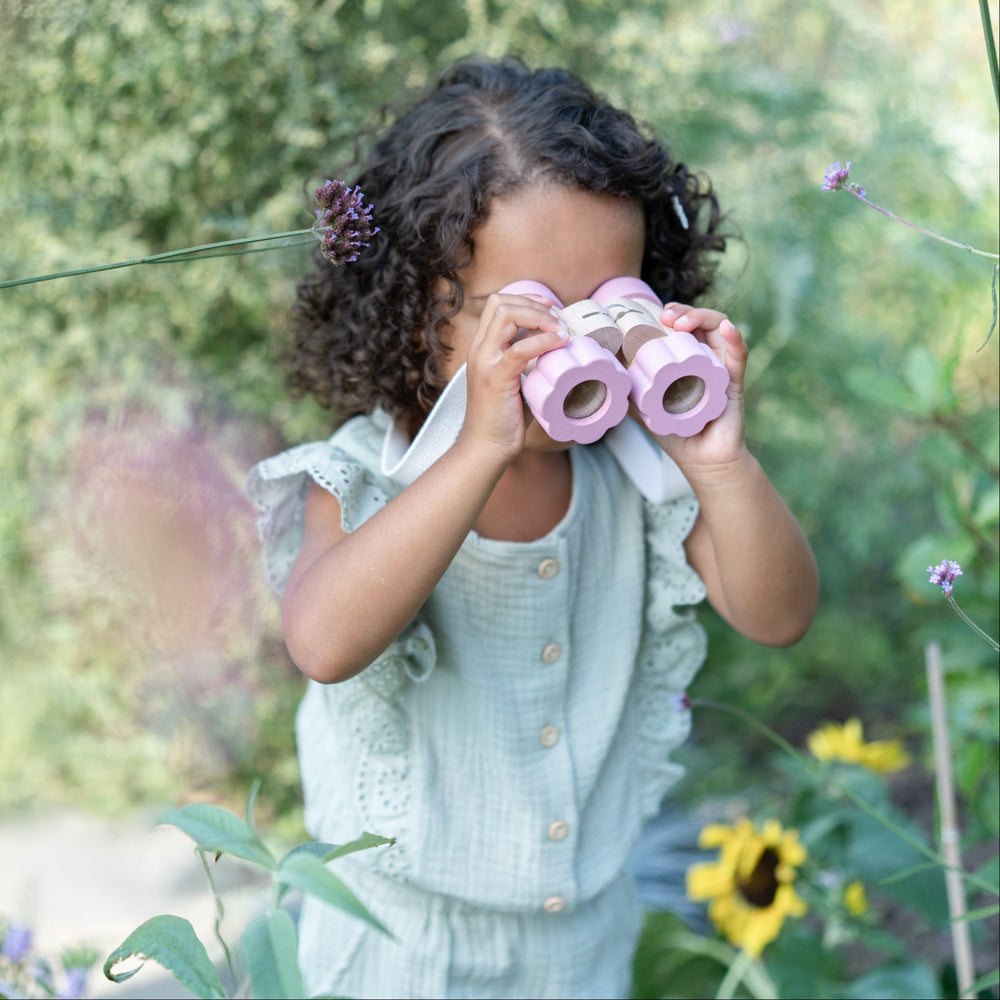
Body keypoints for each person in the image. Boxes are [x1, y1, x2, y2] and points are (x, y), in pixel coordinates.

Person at [247, 55, 818, 1000]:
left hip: (582, 947)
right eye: (539, 318)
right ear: (433, 318)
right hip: (399, 948)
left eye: (614, 307)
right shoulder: (363, 478)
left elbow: (778, 615)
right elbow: (323, 640)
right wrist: (477, 448)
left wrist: (719, 462)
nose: (583, 348)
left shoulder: (639, 473)